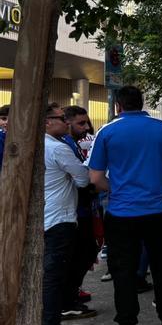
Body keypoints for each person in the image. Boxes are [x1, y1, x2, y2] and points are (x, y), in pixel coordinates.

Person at [86, 86, 162, 325]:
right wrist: (157, 184)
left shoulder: (106, 132)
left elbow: (95, 177)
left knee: (123, 270)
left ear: (118, 105)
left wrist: (118, 189)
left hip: (122, 212)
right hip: (159, 210)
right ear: (141, 103)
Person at [41, 103, 92, 325]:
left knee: (46, 274)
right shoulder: (58, 148)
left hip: (44, 215)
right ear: (47, 121)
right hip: (60, 217)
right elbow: (82, 179)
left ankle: (45, 324)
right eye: (61, 118)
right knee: (54, 275)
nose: (66, 122)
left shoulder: (36, 145)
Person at [60, 105, 100, 310]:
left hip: (82, 207)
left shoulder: (73, 143)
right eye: (80, 123)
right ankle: (67, 300)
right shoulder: (64, 144)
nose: (85, 127)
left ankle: (70, 295)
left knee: (86, 251)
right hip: (74, 209)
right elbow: (81, 179)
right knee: (81, 253)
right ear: (67, 123)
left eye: (87, 122)